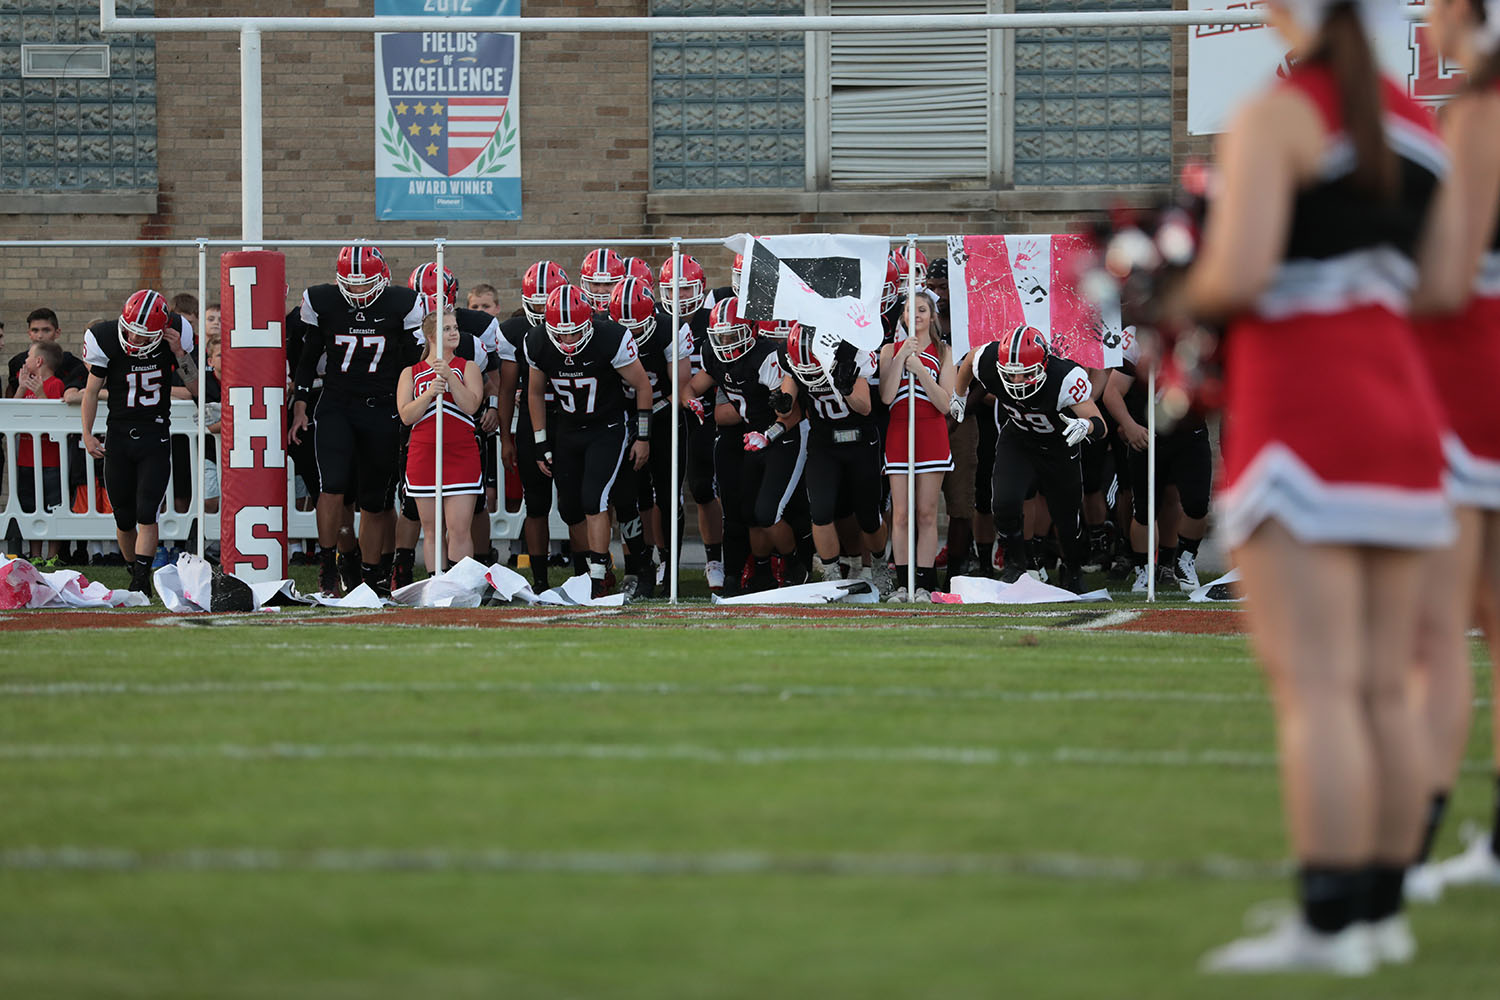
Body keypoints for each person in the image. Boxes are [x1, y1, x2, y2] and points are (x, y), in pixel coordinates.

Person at [1187, 0, 1456, 975]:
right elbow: (1436, 286)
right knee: (1385, 684)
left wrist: (1170, 287)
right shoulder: (1418, 123)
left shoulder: (1279, 112)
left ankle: (1329, 924)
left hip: (1304, 406)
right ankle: (1379, 915)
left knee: (1317, 693)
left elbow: (1239, 272)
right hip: (1404, 412)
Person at [1405, 0, 1500, 900]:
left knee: (1439, 637)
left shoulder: (1479, 111)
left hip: (1481, 376)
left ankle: (1409, 853)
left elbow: (1448, 272)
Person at [289, 245, 425, 597]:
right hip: (337, 404)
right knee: (331, 487)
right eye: (352, 285)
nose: (359, 292)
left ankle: (370, 574)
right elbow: (308, 357)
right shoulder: (322, 300)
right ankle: (328, 566)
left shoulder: (402, 303)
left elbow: (414, 360)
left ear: (382, 279)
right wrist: (300, 403)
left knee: (374, 501)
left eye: (366, 285)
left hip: (383, 406)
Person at [955, 324, 1104, 594]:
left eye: (1025, 375)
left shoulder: (1065, 377)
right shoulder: (988, 359)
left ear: (1044, 365)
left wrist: (1086, 426)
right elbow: (968, 362)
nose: (1016, 382)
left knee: (1067, 516)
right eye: (1010, 376)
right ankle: (1016, 564)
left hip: (1058, 445)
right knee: (1003, 501)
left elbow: (1099, 422)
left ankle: (1072, 569)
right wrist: (959, 395)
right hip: (1020, 439)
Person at [526, 284, 652, 599]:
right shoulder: (538, 341)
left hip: (607, 428)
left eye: (574, 333)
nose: (567, 341)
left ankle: (597, 578)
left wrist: (644, 435)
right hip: (568, 430)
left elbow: (642, 386)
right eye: (561, 334)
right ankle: (596, 570)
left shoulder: (610, 338)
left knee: (595, 500)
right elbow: (535, 392)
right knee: (569, 509)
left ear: (589, 323)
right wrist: (541, 442)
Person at [79, 290, 200, 595]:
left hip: (154, 433)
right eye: (132, 330)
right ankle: (135, 567)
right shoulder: (106, 338)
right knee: (123, 517)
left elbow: (198, 388)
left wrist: (180, 354)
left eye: (145, 335)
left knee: (147, 512)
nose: (136, 339)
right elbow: (91, 391)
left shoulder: (175, 338)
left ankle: (140, 580)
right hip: (118, 434)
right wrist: (87, 433)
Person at [687, 297, 807, 593]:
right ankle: (762, 573)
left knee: (768, 513)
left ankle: (795, 565)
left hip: (783, 435)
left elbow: (793, 413)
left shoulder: (766, 357)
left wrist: (771, 433)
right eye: (721, 336)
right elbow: (692, 386)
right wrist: (689, 401)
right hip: (753, 437)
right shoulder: (712, 353)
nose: (726, 342)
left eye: (733, 335)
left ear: (751, 331)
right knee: (749, 513)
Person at [1099, 336, 1211, 594]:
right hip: (1150, 435)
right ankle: (1144, 568)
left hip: (1190, 432)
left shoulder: (1202, 335)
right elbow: (1112, 391)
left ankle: (1185, 559)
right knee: (1144, 508)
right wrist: (1130, 425)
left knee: (1197, 504)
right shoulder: (1138, 338)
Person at [780, 324, 886, 583]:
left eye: (814, 366)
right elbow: (785, 404)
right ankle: (832, 575)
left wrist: (847, 389)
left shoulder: (852, 354)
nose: (809, 373)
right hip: (824, 442)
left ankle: (881, 567)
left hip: (860, 441)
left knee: (869, 516)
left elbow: (864, 407)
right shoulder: (794, 358)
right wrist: (783, 403)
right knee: (821, 510)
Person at [610, 276, 693, 599]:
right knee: (629, 498)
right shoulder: (604, 329)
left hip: (663, 417)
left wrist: (648, 418)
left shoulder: (669, 328)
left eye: (638, 326)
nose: (631, 334)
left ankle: (670, 569)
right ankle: (639, 568)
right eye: (623, 326)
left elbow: (680, 390)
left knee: (669, 497)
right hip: (621, 420)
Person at [498, 260, 569, 592]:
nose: (542, 308)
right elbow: (507, 387)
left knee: (580, 502)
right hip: (531, 421)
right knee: (536, 503)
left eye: (548, 300)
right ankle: (540, 580)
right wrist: (506, 438)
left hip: (573, 419)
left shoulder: (580, 320)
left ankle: (589, 573)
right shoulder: (514, 330)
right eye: (536, 300)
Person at [878, 293, 954, 601]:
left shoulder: (945, 351)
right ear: (903, 316)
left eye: (923, 309)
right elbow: (885, 397)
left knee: (926, 513)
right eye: (911, 310)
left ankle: (925, 584)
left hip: (931, 435)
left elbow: (945, 404)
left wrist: (921, 368)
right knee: (900, 515)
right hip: (899, 434)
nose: (917, 314)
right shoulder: (888, 350)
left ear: (933, 316)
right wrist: (900, 358)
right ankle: (902, 584)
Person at [398, 306, 484, 572]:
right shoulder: (411, 372)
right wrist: (427, 395)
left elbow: (471, 406)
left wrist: (450, 378)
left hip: (461, 453)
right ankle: (437, 584)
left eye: (455, 328)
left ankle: (460, 585)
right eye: (446, 329)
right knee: (432, 530)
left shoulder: (467, 367)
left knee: (459, 529)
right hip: (425, 455)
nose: (454, 333)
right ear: (431, 336)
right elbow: (406, 415)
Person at [666, 253, 729, 593]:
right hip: (672, 411)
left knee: (705, 489)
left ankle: (714, 559)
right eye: (671, 290)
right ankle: (663, 563)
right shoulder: (658, 319)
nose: (678, 297)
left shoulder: (714, 316)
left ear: (700, 288)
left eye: (685, 289)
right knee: (665, 492)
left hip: (709, 412)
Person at [11, 340, 67, 565]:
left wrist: (41, 393)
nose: (24, 361)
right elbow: (12, 413)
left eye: (28, 356)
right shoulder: (24, 384)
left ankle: (53, 556)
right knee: (30, 505)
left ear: (39, 361)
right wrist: (22, 388)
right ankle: (35, 555)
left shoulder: (56, 384)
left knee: (53, 505)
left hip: (50, 460)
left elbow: (53, 419)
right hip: (27, 459)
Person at [6, 308, 88, 400]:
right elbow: (11, 393)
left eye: (46, 330)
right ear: (29, 333)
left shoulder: (69, 362)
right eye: (35, 330)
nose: (40, 336)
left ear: (57, 333)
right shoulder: (17, 362)